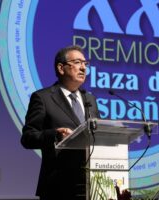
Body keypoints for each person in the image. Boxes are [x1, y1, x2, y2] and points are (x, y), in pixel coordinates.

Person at [21, 45, 100, 200]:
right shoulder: (43, 98)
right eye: (77, 62)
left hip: (92, 186)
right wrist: (55, 135)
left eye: (85, 63)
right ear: (61, 68)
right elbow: (28, 137)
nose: (83, 68)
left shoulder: (90, 99)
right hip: (58, 186)